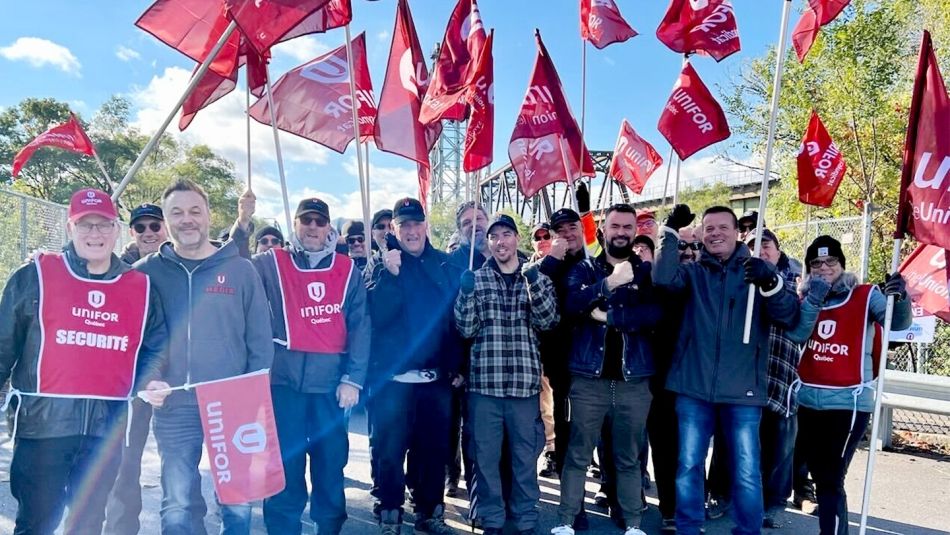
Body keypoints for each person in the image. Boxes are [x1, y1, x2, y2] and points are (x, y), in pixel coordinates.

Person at [0, 188, 169, 535]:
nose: (95, 234)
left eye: (104, 225)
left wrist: (150, 380)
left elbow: (155, 347)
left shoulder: (140, 286)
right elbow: (3, 347)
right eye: (85, 225)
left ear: (116, 230)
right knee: (36, 523)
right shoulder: (34, 276)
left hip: (105, 433)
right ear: (69, 228)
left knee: (89, 524)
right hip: (42, 428)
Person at [136, 178, 274, 535]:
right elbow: (127, 336)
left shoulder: (241, 269)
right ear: (166, 221)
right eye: (177, 212)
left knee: (237, 504)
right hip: (174, 406)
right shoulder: (145, 273)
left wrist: (252, 397)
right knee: (177, 505)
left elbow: (260, 341)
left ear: (210, 215)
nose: (187, 219)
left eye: (195, 210)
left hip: (234, 406)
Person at [654, 204, 800, 535]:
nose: (715, 233)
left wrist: (772, 281)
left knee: (747, 470)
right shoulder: (693, 272)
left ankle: (748, 531)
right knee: (688, 465)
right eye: (709, 228)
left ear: (737, 233)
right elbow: (662, 279)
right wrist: (670, 232)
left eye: (723, 227)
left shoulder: (756, 272)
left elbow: (788, 315)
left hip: (744, 390)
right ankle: (689, 528)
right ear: (702, 235)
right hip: (693, 386)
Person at [233, 195, 371, 535]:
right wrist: (242, 224)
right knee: (284, 469)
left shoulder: (346, 268)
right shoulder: (271, 262)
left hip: (330, 388)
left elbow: (361, 324)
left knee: (329, 468)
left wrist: (353, 379)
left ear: (328, 228)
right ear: (294, 224)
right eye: (305, 220)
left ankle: (329, 529)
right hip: (284, 386)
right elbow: (235, 267)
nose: (312, 227)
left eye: (319, 222)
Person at [787, 236, 910, 535]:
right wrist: (814, 298)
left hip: (847, 404)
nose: (824, 268)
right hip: (808, 401)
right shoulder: (806, 299)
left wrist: (901, 298)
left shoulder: (866, 295)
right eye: (816, 263)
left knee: (830, 478)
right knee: (818, 474)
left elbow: (898, 324)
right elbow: (799, 334)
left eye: (830, 262)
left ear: (842, 265)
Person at [552, 204, 660, 535]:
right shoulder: (585, 268)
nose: (622, 232)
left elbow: (654, 316)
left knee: (628, 457)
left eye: (628, 227)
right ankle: (567, 520)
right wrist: (609, 284)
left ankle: (633, 524)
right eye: (615, 226)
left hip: (633, 380)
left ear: (634, 231)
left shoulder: (645, 271)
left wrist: (609, 316)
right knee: (578, 454)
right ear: (604, 229)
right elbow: (571, 305)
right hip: (588, 378)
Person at [455, 214, 559, 535]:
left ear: (517, 238)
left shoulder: (537, 276)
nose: (501, 241)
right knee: (485, 460)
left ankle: (526, 517)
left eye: (506, 234)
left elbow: (548, 320)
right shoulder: (477, 277)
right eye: (494, 237)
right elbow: (465, 327)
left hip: (524, 390)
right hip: (485, 389)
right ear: (488, 243)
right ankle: (492, 519)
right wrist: (466, 294)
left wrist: (533, 283)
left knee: (524, 460)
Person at [367, 197, 463, 535]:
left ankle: (429, 511)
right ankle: (389, 511)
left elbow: (455, 320)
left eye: (415, 223)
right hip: (393, 381)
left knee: (433, 452)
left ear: (425, 226)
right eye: (403, 224)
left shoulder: (445, 264)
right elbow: (375, 318)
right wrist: (390, 276)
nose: (410, 231)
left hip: (435, 380)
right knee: (389, 451)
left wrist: (457, 364)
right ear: (393, 228)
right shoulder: (382, 267)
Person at [105, 201, 169, 535]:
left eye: (155, 226)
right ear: (131, 232)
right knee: (124, 467)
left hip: (180, 381)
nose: (148, 233)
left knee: (181, 470)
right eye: (140, 227)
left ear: (166, 227)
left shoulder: (181, 261)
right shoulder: (117, 268)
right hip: (134, 381)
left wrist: (244, 223)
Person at [535, 206, 591, 529]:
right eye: (560, 230)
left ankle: (596, 496)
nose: (567, 234)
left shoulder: (591, 262)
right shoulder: (548, 265)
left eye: (573, 227)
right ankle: (575, 505)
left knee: (586, 436)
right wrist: (554, 258)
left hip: (590, 361)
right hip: (558, 362)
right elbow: (539, 288)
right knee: (566, 434)